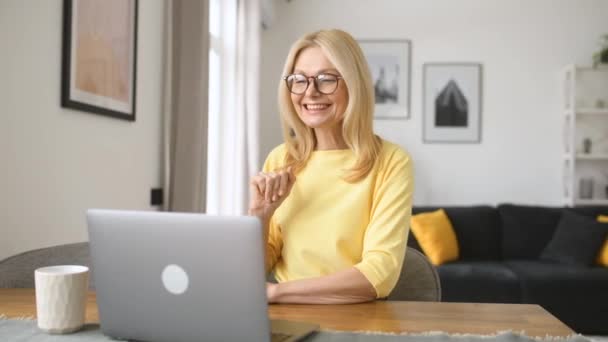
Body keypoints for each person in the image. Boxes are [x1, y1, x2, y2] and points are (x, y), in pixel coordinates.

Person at [248, 29, 413, 305]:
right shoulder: (281, 159)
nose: (310, 92)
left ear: (354, 84)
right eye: (299, 80)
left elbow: (379, 274)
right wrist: (259, 215)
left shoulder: (391, 161)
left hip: (356, 318)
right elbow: (257, 267)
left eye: (326, 79)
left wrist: (278, 292)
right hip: (284, 316)